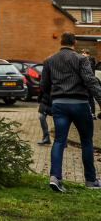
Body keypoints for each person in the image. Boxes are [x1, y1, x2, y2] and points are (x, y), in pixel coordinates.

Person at [41, 32, 101, 192]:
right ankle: (90, 180)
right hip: (80, 104)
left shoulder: (49, 60)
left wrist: (53, 96)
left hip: (59, 105)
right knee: (87, 141)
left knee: (59, 141)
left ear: (60, 41)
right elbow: (90, 82)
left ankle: (55, 177)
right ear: (75, 43)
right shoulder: (82, 59)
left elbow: (44, 86)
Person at [81, 48, 98, 119]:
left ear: (88, 54)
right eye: (82, 53)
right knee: (85, 98)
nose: (83, 54)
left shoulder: (90, 63)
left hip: (89, 83)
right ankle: (87, 113)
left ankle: (93, 113)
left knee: (90, 98)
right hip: (84, 83)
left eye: (85, 53)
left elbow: (91, 74)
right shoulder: (82, 62)